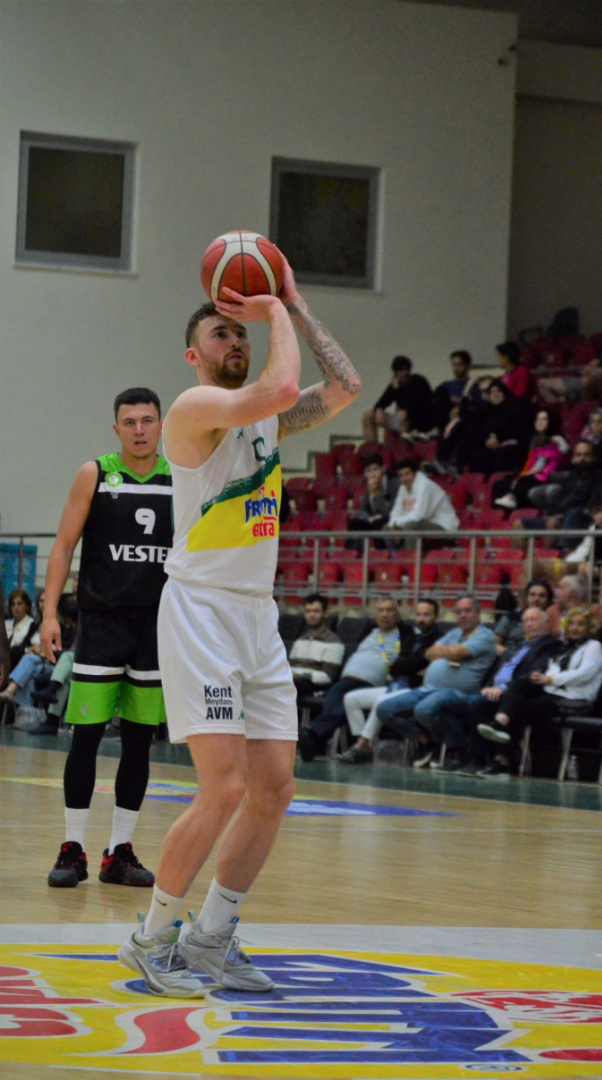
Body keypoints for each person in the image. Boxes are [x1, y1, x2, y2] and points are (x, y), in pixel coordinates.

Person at [119, 255, 361, 997]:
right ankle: (150, 939)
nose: (237, 340)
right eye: (222, 333)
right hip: (201, 609)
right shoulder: (193, 407)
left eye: (241, 332)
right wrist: (273, 309)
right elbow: (282, 387)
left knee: (275, 786)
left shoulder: (266, 421)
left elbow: (346, 387)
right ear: (194, 356)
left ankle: (212, 937)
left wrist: (297, 301)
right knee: (222, 786)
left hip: (257, 615)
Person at [39, 388, 173, 890]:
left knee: (139, 741)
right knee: (87, 736)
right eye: (129, 422)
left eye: (147, 420)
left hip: (156, 627)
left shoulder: (181, 477)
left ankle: (120, 851)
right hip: (101, 624)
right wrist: (49, 614)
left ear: (161, 425)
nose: (139, 429)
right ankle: (72, 847)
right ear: (116, 428)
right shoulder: (94, 473)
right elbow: (63, 545)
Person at [376, 595, 496, 768]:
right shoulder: (454, 633)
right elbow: (429, 653)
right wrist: (450, 651)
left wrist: (448, 652)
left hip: (459, 693)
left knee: (424, 710)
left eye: (467, 611)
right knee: (384, 709)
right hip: (428, 689)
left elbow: (458, 653)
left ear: (478, 613)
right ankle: (427, 740)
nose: (463, 615)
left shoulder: (485, 636)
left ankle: (458, 747)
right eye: (459, 612)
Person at [297, 598, 410, 762]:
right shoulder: (372, 632)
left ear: (397, 614)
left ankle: (314, 735)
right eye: (381, 610)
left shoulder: (405, 633)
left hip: (370, 683)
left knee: (336, 699)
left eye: (389, 610)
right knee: (339, 702)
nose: (384, 615)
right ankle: (317, 739)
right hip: (347, 680)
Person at [456, 606, 562, 778]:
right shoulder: (525, 646)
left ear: (546, 623)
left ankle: (486, 759)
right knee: (471, 701)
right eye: (525, 621)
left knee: (481, 704)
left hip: (525, 693)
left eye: (533, 620)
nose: (529, 624)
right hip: (502, 690)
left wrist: (503, 688)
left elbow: (534, 674)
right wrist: (490, 686)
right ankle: (471, 758)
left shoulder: (551, 645)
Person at [477, 606, 602, 748]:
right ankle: (500, 724)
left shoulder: (594, 646)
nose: (575, 628)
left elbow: (585, 674)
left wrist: (550, 679)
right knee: (518, 686)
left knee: (518, 707)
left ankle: (504, 752)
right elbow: (553, 668)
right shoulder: (567, 647)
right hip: (555, 694)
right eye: (572, 623)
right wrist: (541, 676)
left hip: (576, 699)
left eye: (581, 624)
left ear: (589, 627)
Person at [338, 598, 442, 764]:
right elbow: (396, 667)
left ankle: (360, 746)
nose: (422, 619)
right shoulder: (412, 638)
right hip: (395, 685)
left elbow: (408, 664)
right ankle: (365, 746)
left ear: (436, 617)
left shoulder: (440, 640)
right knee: (351, 699)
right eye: (419, 614)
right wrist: (409, 664)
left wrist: (406, 664)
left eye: (427, 615)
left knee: (381, 703)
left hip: (415, 688)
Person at [538, 307, 602, 404]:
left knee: (592, 382)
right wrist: (588, 368)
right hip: (591, 379)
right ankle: (563, 409)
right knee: (542, 384)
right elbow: (597, 361)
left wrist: (596, 371)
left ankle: (579, 406)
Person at [492, 409, 567, 511]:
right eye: (538, 419)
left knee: (523, 481)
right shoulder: (534, 439)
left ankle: (513, 504)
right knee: (501, 483)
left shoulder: (557, 440)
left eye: (544, 419)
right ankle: (499, 515)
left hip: (545, 476)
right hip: (533, 472)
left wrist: (531, 472)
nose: (540, 422)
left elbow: (553, 461)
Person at [30, 591, 79, 734]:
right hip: (76, 666)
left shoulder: (82, 627)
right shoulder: (71, 629)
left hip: (95, 664)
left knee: (67, 658)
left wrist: (53, 650)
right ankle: (52, 721)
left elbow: (72, 653)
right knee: (66, 676)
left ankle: (52, 691)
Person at [467, 380, 532, 477]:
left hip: (513, 444)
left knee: (504, 455)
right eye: (492, 392)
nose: (495, 394)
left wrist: (507, 441)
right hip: (493, 446)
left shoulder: (516, 405)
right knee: (477, 456)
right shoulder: (487, 410)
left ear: (504, 392)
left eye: (498, 391)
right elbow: (481, 430)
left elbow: (523, 428)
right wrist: (487, 441)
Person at [362, 355, 433, 441]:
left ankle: (405, 445)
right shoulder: (397, 384)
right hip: (403, 419)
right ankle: (372, 446)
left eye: (406, 369)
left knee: (403, 415)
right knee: (368, 416)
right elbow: (383, 401)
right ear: (396, 373)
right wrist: (379, 409)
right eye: (401, 370)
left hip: (419, 420)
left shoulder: (419, 382)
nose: (405, 373)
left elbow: (409, 406)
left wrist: (398, 390)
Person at [288, 594, 345, 698]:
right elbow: (290, 667)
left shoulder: (334, 643)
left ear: (326, 613)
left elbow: (328, 677)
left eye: (316, 611)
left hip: (313, 686)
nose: (311, 615)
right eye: (308, 611)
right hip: (292, 681)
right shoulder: (300, 641)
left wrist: (301, 676)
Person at [387, 459, 459, 535]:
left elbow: (419, 515)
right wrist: (393, 525)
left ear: (415, 473)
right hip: (424, 525)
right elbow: (396, 512)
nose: (405, 478)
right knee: (387, 529)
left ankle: (410, 544)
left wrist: (396, 523)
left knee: (411, 526)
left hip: (445, 527)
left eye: (407, 474)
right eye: (401, 476)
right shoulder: (403, 488)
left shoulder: (425, 485)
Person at [346, 453, 399, 553]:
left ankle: (383, 554)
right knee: (353, 523)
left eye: (375, 469)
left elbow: (393, 509)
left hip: (391, 519)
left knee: (378, 523)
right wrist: (369, 518)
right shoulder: (370, 485)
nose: (372, 474)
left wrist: (375, 494)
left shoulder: (394, 483)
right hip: (374, 520)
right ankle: (354, 555)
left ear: (383, 469)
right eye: (368, 471)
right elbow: (362, 510)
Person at [493, 578, 554, 657]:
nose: (537, 599)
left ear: (548, 600)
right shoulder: (511, 618)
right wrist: (510, 655)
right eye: (532, 595)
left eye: (542, 596)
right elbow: (494, 643)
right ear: (526, 598)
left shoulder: (551, 622)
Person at [432, 351, 472, 436]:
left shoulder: (475, 387)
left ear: (467, 366)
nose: (456, 368)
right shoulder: (445, 387)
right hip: (447, 425)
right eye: (454, 364)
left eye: (459, 364)